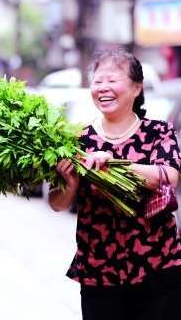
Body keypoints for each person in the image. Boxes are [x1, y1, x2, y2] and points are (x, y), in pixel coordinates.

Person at [48, 48, 181, 320]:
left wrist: (113, 163)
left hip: (157, 266)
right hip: (100, 271)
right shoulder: (77, 140)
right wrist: (70, 184)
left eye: (112, 80)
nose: (103, 88)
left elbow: (169, 175)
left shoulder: (158, 132)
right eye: (97, 82)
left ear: (136, 88)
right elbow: (56, 203)